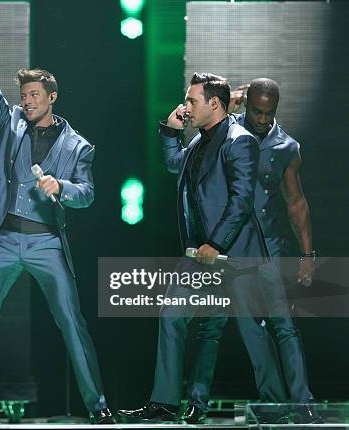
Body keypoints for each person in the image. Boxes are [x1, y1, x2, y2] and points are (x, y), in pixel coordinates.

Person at [0, 12, 114, 425]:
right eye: (24, 94)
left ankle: (98, 406)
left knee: (72, 322)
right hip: (1, 240)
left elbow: (87, 195)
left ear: (52, 96)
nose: (27, 100)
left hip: (46, 242)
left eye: (35, 94)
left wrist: (62, 189)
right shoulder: (11, 122)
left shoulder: (78, 146)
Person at [117, 73, 288, 423]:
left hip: (233, 254)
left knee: (249, 330)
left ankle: (277, 405)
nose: (186, 106)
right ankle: (167, 402)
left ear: (214, 103)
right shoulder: (198, 142)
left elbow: (241, 202)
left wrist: (216, 243)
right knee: (173, 315)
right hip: (198, 256)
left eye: (192, 100)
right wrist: (169, 130)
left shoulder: (239, 141)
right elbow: (172, 163)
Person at [182, 78, 317, 424]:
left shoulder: (286, 146)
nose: (261, 118)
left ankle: (303, 403)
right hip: (228, 244)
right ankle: (214, 401)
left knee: (283, 325)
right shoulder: (227, 130)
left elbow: (296, 201)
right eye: (255, 110)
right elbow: (202, 103)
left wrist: (307, 256)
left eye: (267, 113)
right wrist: (236, 95)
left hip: (268, 247)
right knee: (223, 325)